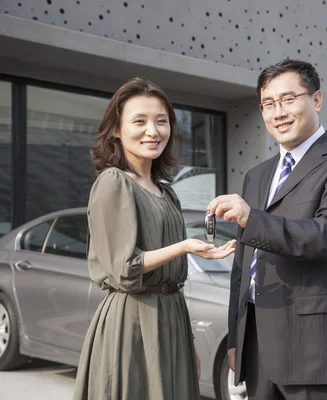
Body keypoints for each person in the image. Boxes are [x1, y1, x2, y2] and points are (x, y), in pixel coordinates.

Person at [207, 59, 327, 400]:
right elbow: (243, 266)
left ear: (316, 100)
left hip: (315, 350)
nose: (278, 112)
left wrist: (250, 218)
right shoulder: (257, 175)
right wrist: (237, 336)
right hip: (257, 347)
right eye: (268, 104)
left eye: (288, 99)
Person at [72, 77, 235, 400]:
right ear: (116, 130)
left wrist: (186, 343)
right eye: (140, 121)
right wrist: (186, 246)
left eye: (162, 121)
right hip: (132, 321)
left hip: (171, 318)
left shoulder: (165, 192)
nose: (153, 131)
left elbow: (173, 283)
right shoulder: (113, 182)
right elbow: (125, 268)